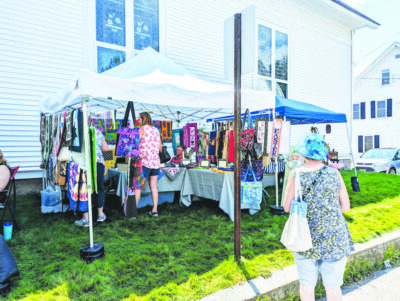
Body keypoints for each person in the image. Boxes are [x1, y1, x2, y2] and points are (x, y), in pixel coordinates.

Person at [283, 133, 354, 301]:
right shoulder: (334, 173)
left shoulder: (296, 174)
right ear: (322, 154)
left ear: (303, 154)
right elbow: (346, 206)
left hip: (304, 237)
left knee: (307, 285)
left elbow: (286, 207)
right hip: (334, 238)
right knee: (333, 287)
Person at [75, 126, 109, 227]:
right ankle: (100, 214)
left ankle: (86, 218)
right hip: (97, 163)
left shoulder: (77, 131)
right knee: (99, 188)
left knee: (84, 189)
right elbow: (105, 148)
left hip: (83, 164)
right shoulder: (96, 131)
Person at [138, 112, 161, 217]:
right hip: (155, 162)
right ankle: (155, 210)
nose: (138, 120)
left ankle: (132, 212)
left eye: (139, 118)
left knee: (137, 187)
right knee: (154, 187)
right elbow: (160, 148)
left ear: (143, 119)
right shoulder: (156, 130)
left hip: (144, 162)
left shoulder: (142, 129)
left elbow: (135, 143)